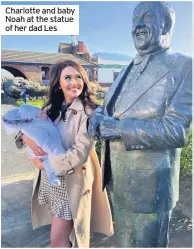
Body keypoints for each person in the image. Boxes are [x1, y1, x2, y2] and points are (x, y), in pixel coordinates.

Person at [88, 1, 192, 248]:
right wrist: (96, 117)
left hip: (150, 190)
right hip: (117, 183)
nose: (138, 25)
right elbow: (108, 107)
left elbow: (176, 130)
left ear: (166, 24)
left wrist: (120, 129)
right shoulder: (126, 69)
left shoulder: (184, 66)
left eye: (147, 17)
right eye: (134, 19)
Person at [18, 60, 114, 247]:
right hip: (49, 180)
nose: (74, 82)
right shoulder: (49, 109)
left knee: (58, 240)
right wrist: (27, 139)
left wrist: (46, 163)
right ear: (58, 83)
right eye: (67, 77)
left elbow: (79, 154)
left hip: (70, 182)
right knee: (64, 234)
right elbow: (27, 130)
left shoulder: (89, 112)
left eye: (78, 77)